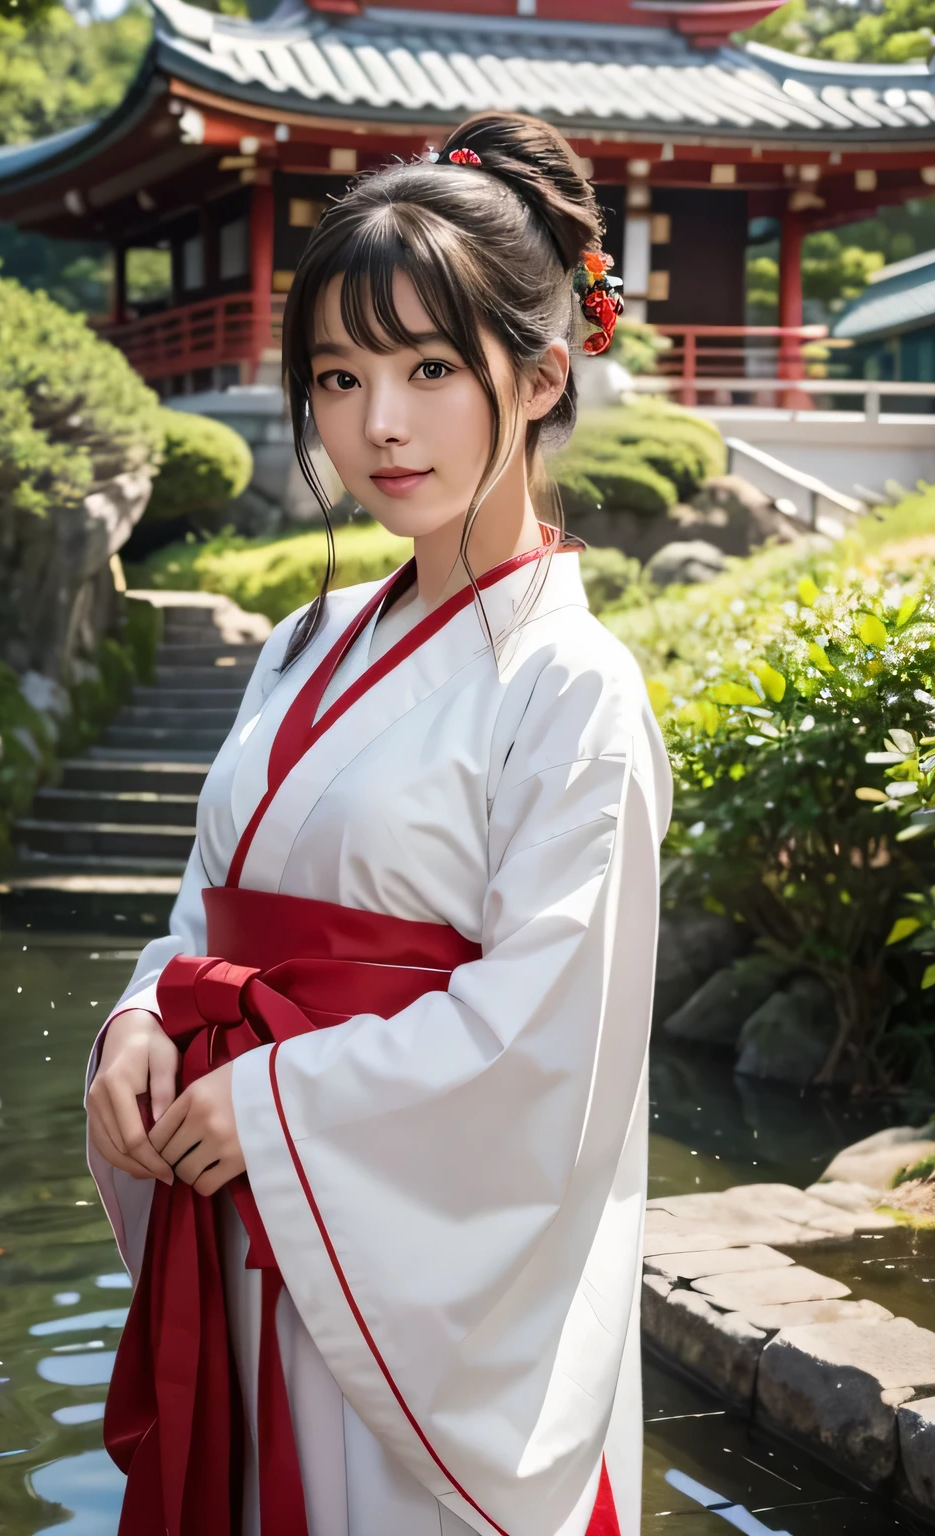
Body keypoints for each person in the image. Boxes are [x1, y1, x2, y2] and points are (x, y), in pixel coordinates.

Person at [86, 109, 671, 1536]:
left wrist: (282, 1107)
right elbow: (205, 901)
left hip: (388, 1250)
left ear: (540, 378)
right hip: (252, 1192)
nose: (379, 425)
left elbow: (549, 1039)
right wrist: (140, 1027)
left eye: (428, 368)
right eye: (339, 377)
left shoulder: (574, 686)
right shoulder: (309, 640)